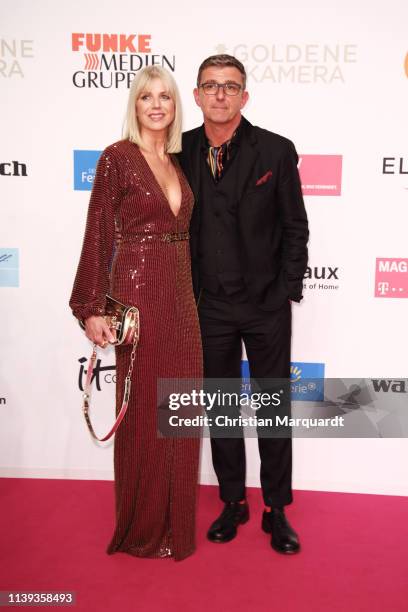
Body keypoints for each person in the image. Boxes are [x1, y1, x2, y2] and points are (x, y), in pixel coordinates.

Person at [69, 66, 202, 561]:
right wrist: (91, 307)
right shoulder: (117, 159)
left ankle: (176, 526)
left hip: (181, 296)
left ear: (174, 105)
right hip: (138, 293)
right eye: (146, 96)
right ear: (135, 104)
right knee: (146, 410)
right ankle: (145, 528)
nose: (156, 104)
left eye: (165, 96)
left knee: (183, 409)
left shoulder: (177, 161)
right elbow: (99, 234)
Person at [179, 54, 309, 554]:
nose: (220, 95)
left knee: (274, 409)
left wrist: (285, 289)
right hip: (207, 305)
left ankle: (277, 509)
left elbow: (295, 227)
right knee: (223, 411)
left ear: (244, 97)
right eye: (210, 86)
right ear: (196, 95)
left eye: (230, 87)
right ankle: (233, 501)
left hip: (265, 305)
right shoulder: (180, 150)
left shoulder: (275, 151)